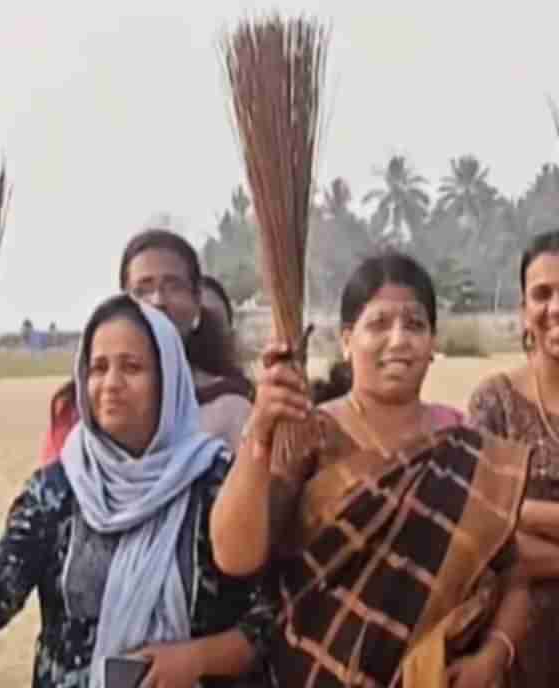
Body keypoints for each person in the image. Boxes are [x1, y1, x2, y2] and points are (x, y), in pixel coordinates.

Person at [212, 252, 532, 687]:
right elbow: (235, 555)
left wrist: (492, 656)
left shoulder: (463, 446)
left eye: (415, 325)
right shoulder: (310, 435)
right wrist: (261, 433)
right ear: (347, 340)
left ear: (433, 341)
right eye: (379, 324)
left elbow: (513, 576)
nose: (399, 340)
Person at [0, 294, 273, 688]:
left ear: (169, 379)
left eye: (132, 367)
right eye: (98, 368)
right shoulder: (57, 490)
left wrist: (194, 660)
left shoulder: (215, 483)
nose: (111, 384)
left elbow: (264, 621)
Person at [41, 230, 252, 465]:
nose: (158, 301)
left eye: (174, 286)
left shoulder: (231, 408)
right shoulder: (80, 409)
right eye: (143, 289)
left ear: (196, 302)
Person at [467, 229, 559, 687]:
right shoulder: (495, 404)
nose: (556, 307)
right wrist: (506, 522)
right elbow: (479, 532)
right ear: (524, 311)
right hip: (513, 649)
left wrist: (521, 516)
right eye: (542, 294)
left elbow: (506, 524)